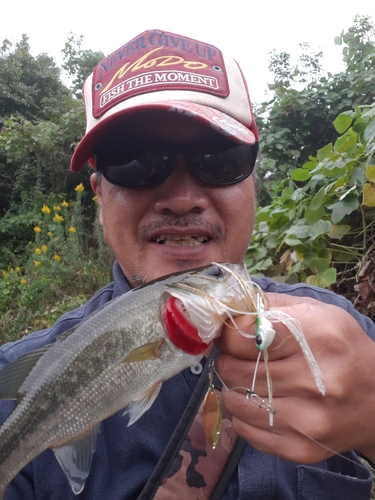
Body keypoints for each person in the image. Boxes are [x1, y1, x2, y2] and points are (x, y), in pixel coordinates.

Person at [1, 28, 375, 500]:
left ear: (254, 186)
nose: (181, 199)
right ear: (98, 196)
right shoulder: (13, 380)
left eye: (218, 159)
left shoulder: (350, 339)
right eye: (135, 163)